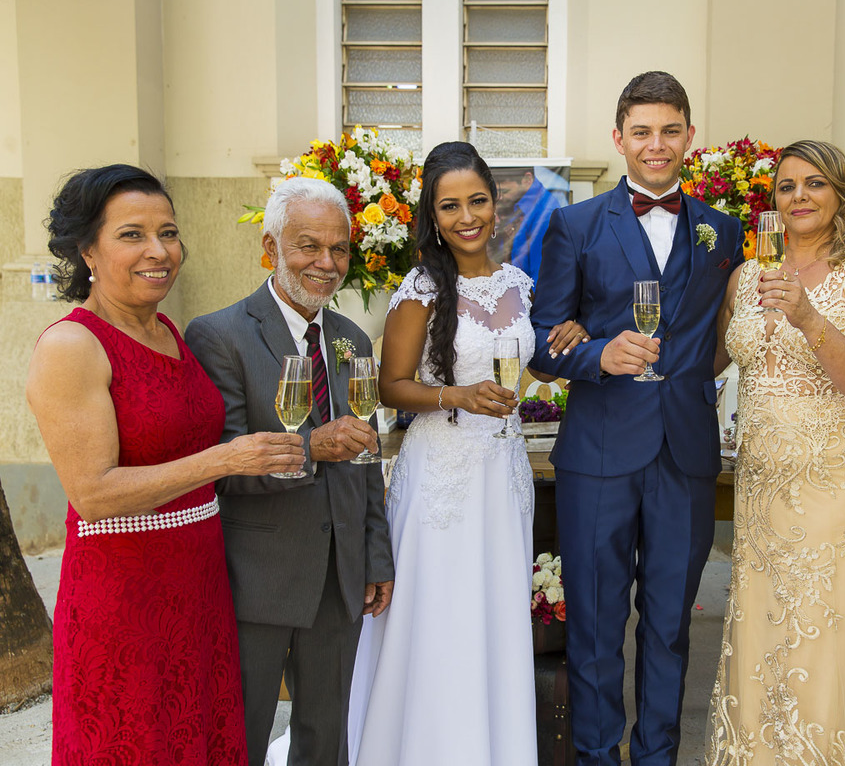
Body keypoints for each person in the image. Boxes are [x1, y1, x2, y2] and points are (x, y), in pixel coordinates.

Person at [25, 165, 305, 765]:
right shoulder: (72, 347)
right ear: (88, 251)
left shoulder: (169, 333)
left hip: (198, 583)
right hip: (122, 598)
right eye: (132, 234)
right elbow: (92, 492)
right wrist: (226, 458)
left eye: (169, 232)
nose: (159, 251)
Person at [343, 141, 588, 765]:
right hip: (442, 477)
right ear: (432, 214)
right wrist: (456, 393)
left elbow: (534, 360)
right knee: (442, 615)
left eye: (476, 200)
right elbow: (393, 385)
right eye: (449, 206)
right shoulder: (421, 288)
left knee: (493, 614)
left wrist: (572, 337)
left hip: (502, 476)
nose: (466, 216)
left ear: (495, 204)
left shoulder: (519, 284)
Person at [529, 70, 744, 766]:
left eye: (671, 130)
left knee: (669, 627)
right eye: (643, 132)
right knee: (594, 627)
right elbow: (542, 341)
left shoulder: (721, 232)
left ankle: (657, 756)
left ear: (690, 137)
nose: (657, 145)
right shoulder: (575, 225)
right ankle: (595, 755)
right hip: (597, 455)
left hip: (685, 454)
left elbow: (720, 338)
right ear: (619, 138)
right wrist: (596, 354)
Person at [184, 177, 395, 766]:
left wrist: (374, 556)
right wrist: (308, 448)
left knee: (326, 741)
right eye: (308, 246)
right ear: (270, 248)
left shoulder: (353, 340)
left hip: (339, 579)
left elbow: (365, 453)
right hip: (255, 578)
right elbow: (217, 467)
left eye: (338, 250)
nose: (326, 264)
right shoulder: (218, 335)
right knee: (242, 738)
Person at [705, 140, 845, 764]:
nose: (799, 197)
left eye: (814, 184)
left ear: (840, 192)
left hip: (838, 482)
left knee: (824, 636)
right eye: (786, 187)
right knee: (760, 633)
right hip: (763, 484)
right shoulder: (746, 273)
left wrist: (810, 319)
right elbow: (709, 361)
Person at [488, 166, 564, 286]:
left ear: (527, 179)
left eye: (506, 191)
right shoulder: (521, 202)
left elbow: (541, 274)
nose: (500, 197)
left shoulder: (545, 213)